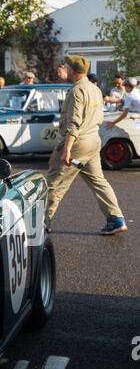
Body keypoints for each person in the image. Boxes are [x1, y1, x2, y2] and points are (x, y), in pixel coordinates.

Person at [46, 54, 127, 235]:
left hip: (78, 142)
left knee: (54, 183)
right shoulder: (94, 89)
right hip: (93, 141)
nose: (64, 70)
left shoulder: (77, 91)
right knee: (98, 181)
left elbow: (74, 123)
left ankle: (40, 224)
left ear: (73, 71)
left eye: (66, 67)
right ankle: (116, 219)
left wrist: (66, 150)